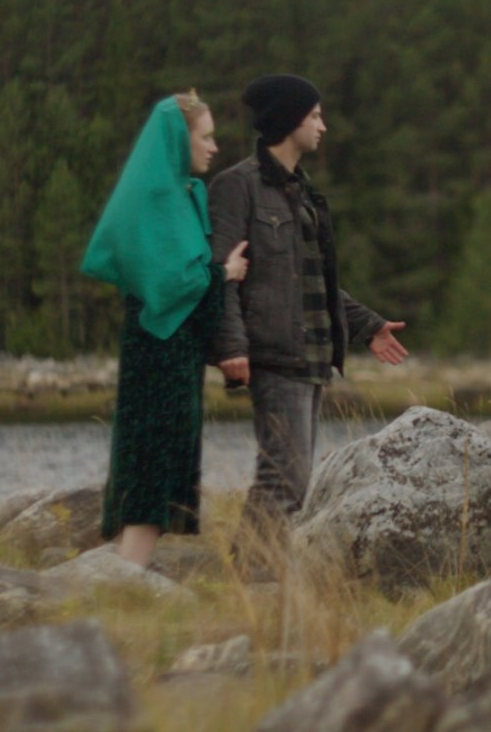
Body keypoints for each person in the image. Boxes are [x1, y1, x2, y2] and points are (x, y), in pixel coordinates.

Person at [209, 74, 408, 555]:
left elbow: (310, 278)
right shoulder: (236, 187)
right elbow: (220, 274)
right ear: (290, 120)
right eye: (315, 116)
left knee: (291, 480)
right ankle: (251, 577)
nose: (324, 126)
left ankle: (258, 576)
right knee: (285, 479)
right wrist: (231, 348)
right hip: (274, 357)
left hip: (313, 357)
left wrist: (367, 325)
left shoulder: (303, 191)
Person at [80, 91, 249, 568]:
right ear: (179, 140)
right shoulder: (158, 198)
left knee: (158, 465)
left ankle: (124, 576)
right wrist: (225, 274)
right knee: (151, 469)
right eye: (206, 136)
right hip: (159, 354)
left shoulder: (175, 194)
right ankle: (127, 578)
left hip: (170, 354)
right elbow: (171, 284)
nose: (214, 147)